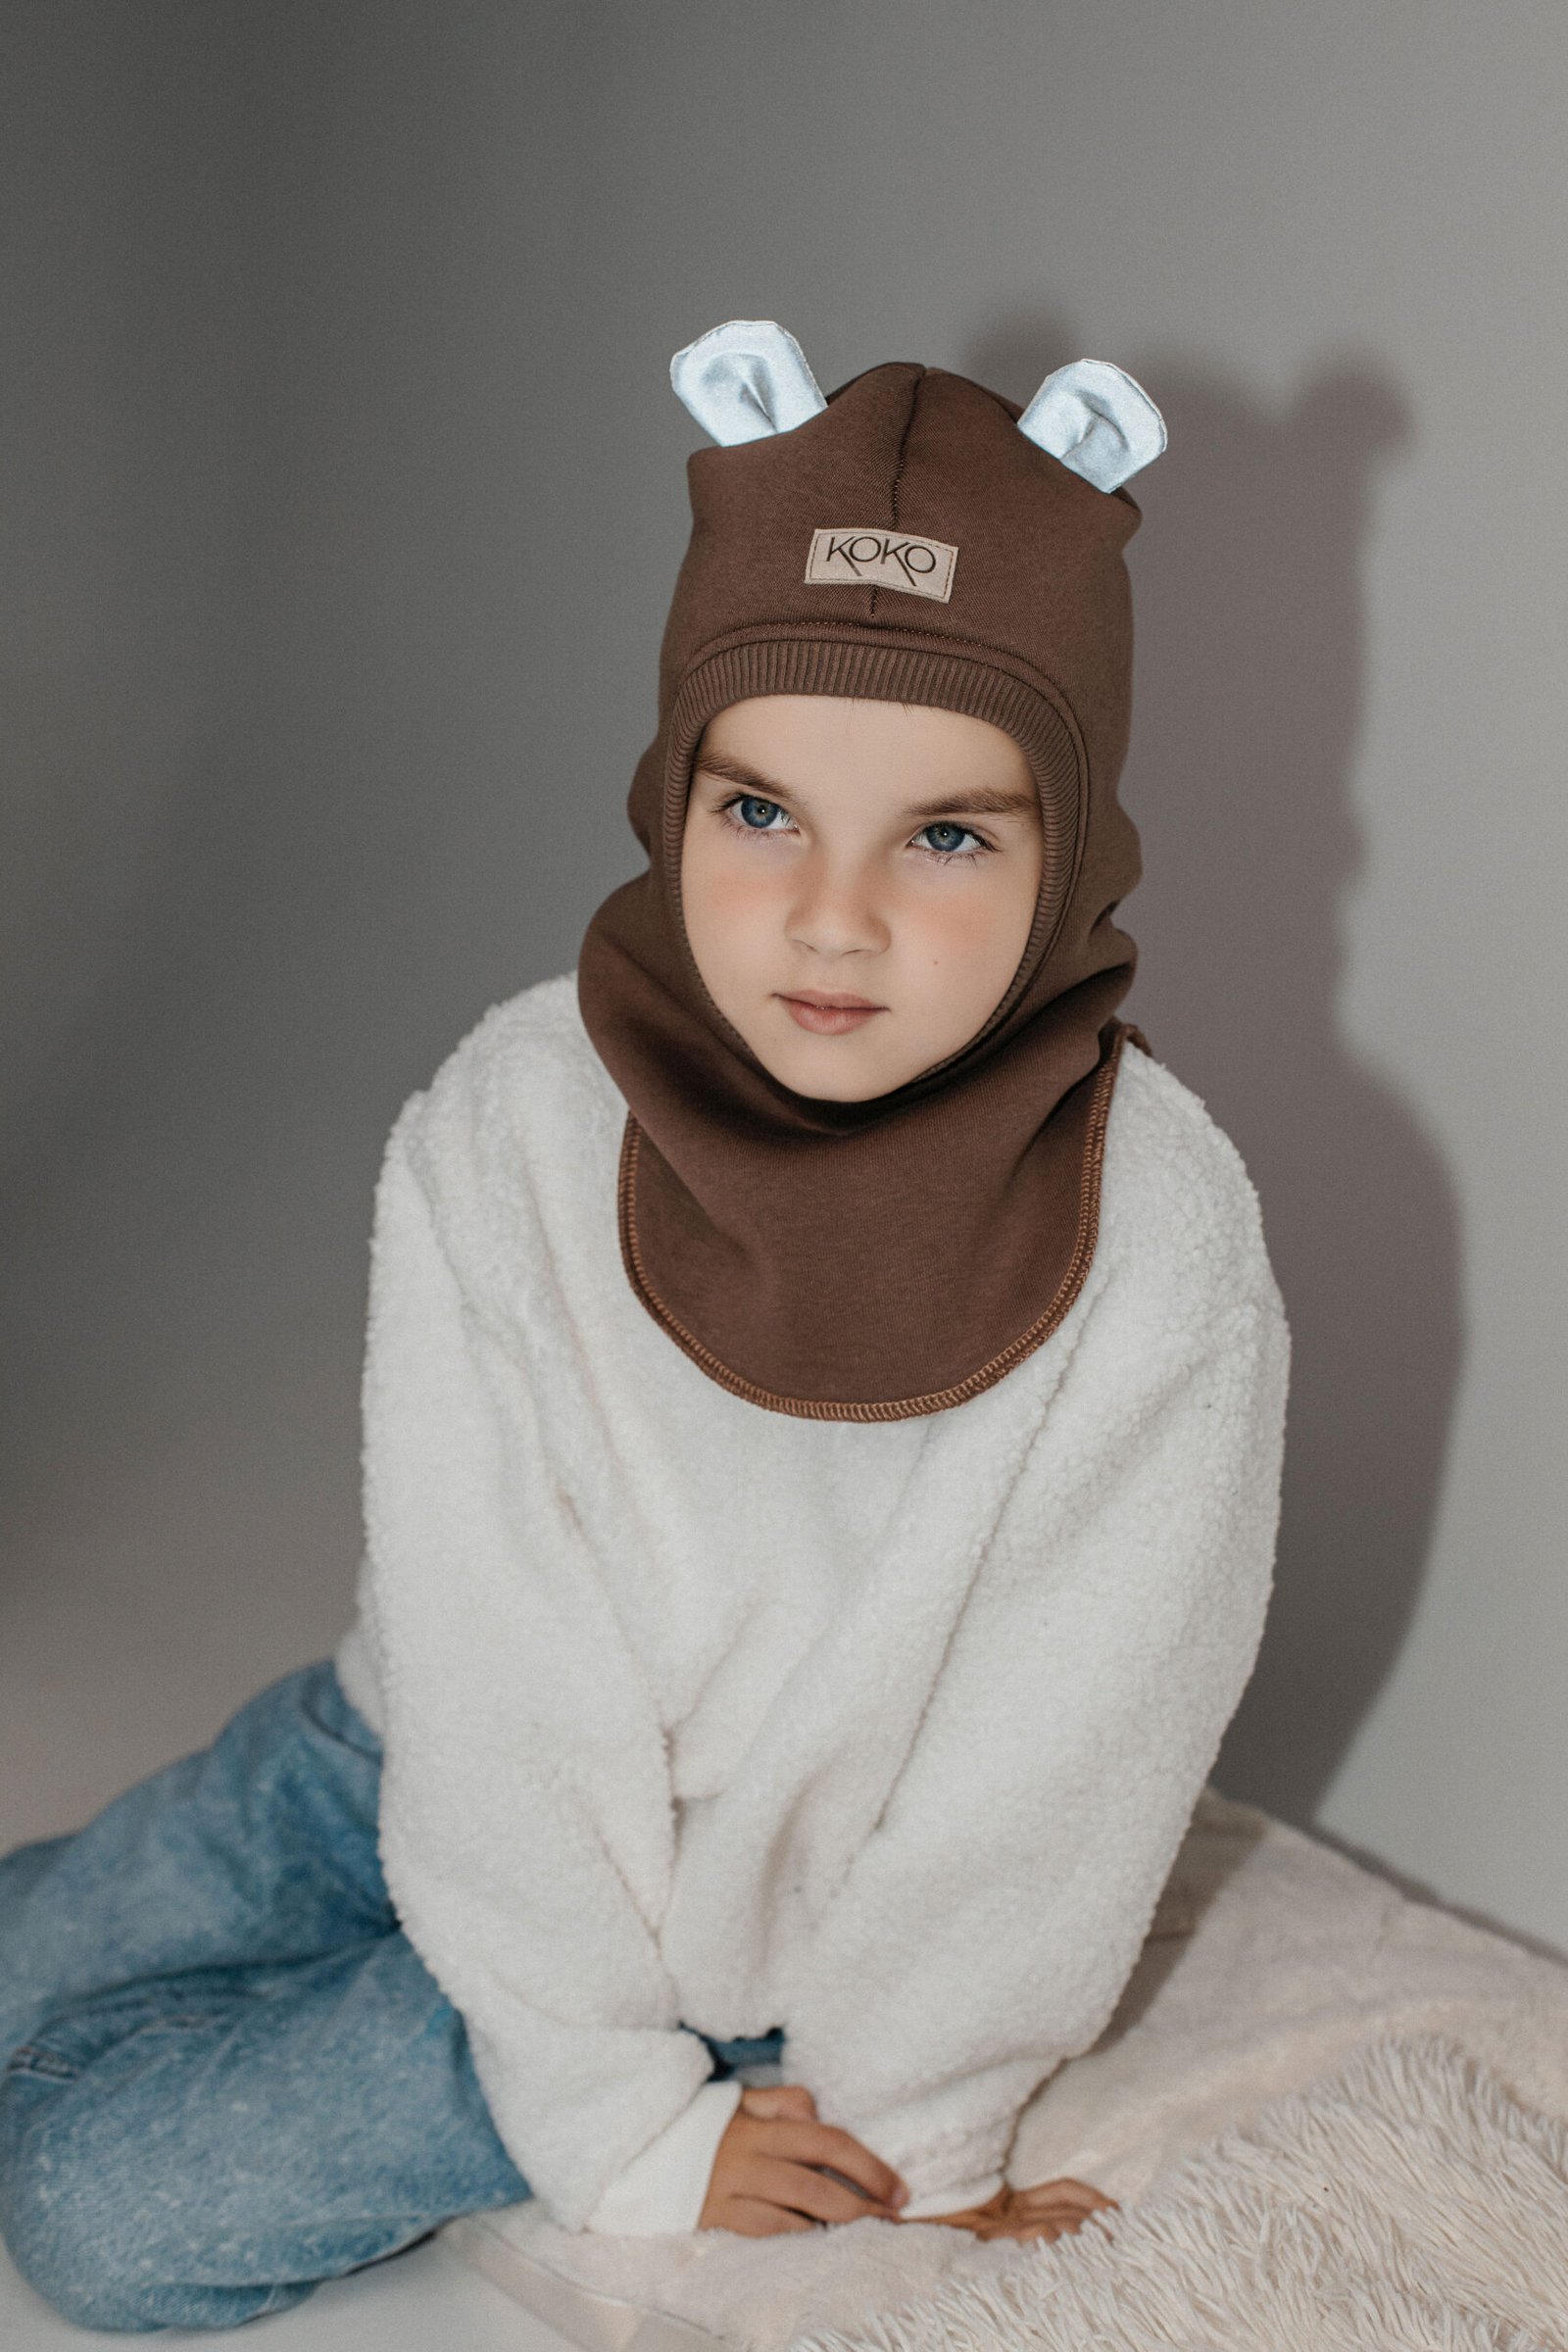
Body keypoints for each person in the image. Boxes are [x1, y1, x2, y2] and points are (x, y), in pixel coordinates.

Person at [0, 320, 1290, 2331]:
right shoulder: (512, 1118)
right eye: (760, 812)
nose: (832, 916)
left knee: (96, 2211)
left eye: (946, 835)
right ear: (670, 790)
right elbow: (493, 1661)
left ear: (1069, 854)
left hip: (746, 1940)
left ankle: (492, 2056)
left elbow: (1054, 1779)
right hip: (406, 1767)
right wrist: (547, 2012)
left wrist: (728, 2120)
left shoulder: (1159, 1245)